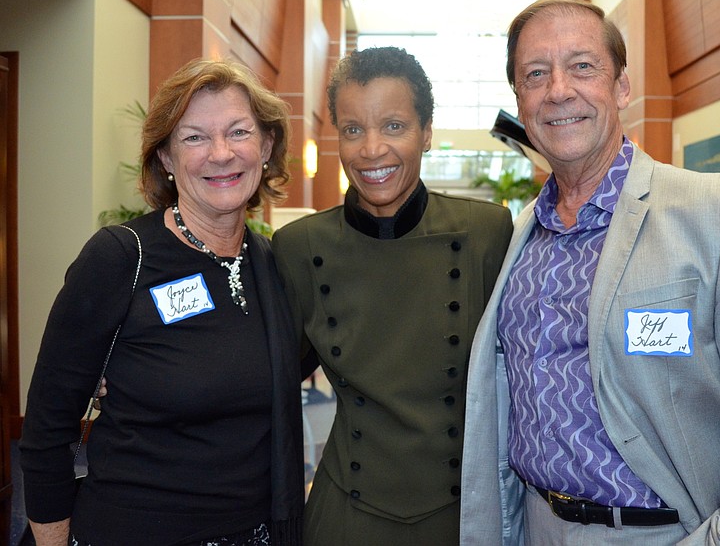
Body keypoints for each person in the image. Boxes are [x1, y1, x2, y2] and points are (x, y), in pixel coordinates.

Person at [460, 0, 720, 545]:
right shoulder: (521, 235)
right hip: (534, 527)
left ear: (621, 86)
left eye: (583, 66)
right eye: (535, 74)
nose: (559, 89)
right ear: (520, 102)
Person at [20, 57, 305, 546]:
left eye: (239, 132)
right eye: (194, 137)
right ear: (167, 159)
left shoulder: (273, 265)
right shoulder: (119, 258)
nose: (221, 154)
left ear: (266, 145)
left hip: (257, 531)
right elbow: (48, 425)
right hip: (135, 529)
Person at [271, 46, 513, 545]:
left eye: (394, 126)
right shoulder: (300, 247)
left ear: (427, 132)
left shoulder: (486, 232)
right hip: (345, 512)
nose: (371, 149)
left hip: (461, 512)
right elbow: (263, 381)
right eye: (353, 129)